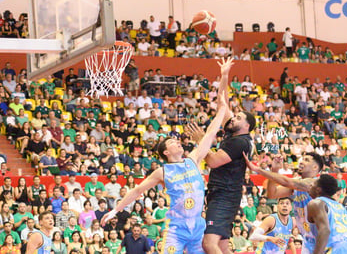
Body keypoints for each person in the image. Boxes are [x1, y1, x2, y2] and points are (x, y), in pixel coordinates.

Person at [101, 92, 227, 253]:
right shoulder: (162, 171)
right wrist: (115, 210)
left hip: (198, 226)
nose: (177, 142)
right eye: (172, 142)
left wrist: (222, 108)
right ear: (166, 152)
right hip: (176, 229)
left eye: (177, 140)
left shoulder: (193, 159)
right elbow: (137, 190)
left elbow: (210, 134)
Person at [201, 58, 255, 254]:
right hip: (224, 194)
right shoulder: (237, 134)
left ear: (247, 126)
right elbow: (221, 103)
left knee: (208, 244)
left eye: (238, 117)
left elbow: (214, 161)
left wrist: (203, 142)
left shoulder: (239, 142)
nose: (234, 118)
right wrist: (224, 76)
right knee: (222, 246)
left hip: (225, 195)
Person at [244, 153, 324, 254]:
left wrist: (258, 169)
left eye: (306, 160)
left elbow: (287, 182)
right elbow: (272, 194)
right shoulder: (296, 185)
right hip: (308, 239)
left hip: (323, 238)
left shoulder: (315, 183)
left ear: (315, 167)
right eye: (302, 159)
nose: (301, 162)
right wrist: (275, 170)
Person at [307, 174, 347, 254]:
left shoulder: (316, 203)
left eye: (313, 183)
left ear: (318, 189)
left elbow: (325, 230)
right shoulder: (339, 205)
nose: (310, 185)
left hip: (338, 250)